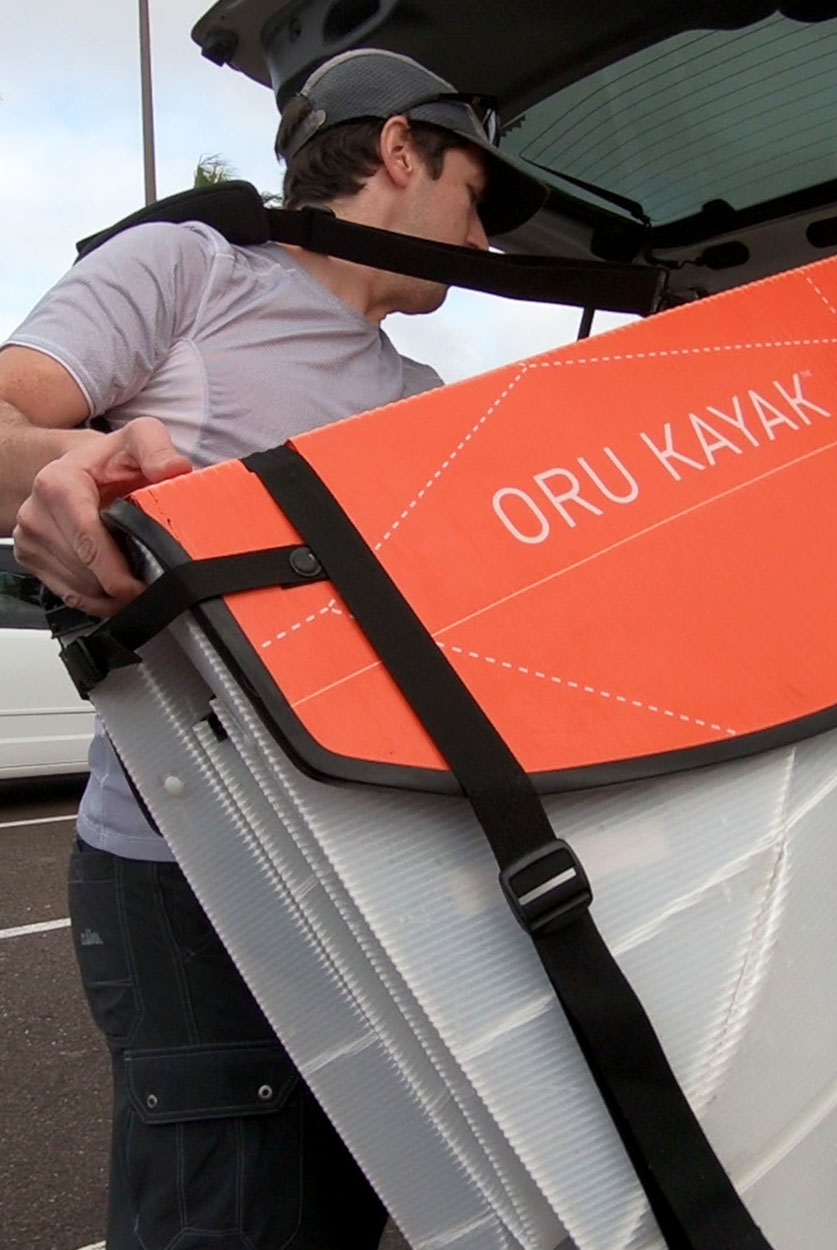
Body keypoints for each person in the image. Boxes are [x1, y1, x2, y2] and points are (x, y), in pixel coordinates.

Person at [0, 47, 545, 1249]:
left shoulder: (418, 393)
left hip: (364, 861)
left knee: (342, 1204)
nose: (492, 243)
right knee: (229, 1219)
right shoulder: (193, 271)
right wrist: (68, 472)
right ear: (400, 148)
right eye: (478, 195)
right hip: (183, 865)